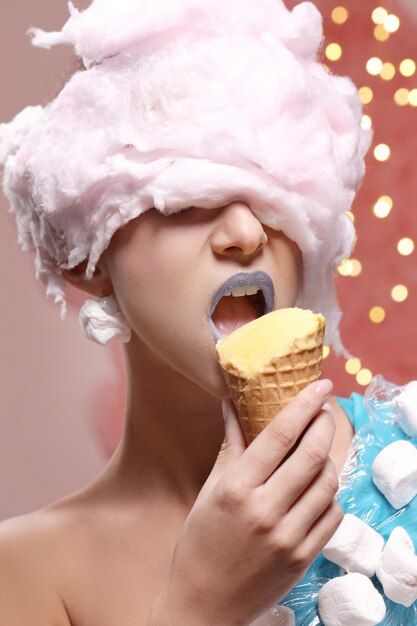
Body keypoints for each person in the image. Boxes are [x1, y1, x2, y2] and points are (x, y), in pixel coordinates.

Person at [0, 0, 370, 624]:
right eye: (184, 201)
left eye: (275, 189)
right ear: (86, 256)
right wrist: (199, 603)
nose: (248, 231)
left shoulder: (406, 458)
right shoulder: (27, 571)